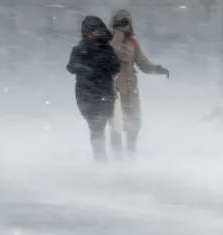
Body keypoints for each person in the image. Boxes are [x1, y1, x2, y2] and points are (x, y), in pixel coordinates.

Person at [108, 9, 169, 157]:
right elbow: (109, 56)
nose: (124, 24)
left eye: (126, 20)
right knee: (117, 123)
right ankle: (117, 155)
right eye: (121, 21)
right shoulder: (108, 40)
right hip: (115, 89)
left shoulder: (132, 42)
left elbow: (142, 63)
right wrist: (117, 36)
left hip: (131, 89)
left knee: (134, 123)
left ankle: (131, 152)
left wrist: (157, 69)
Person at [66, 15, 122, 162]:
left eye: (96, 30)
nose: (94, 34)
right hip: (85, 94)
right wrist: (88, 67)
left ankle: (101, 156)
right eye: (91, 31)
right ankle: (99, 154)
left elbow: (116, 67)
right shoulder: (79, 49)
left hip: (103, 92)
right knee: (94, 126)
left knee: (100, 123)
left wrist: (99, 67)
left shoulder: (107, 50)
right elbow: (71, 67)